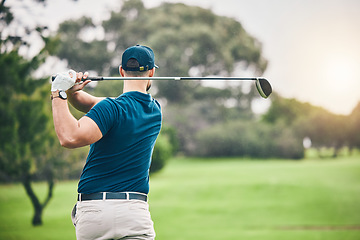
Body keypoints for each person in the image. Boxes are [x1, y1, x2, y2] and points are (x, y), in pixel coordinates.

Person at [51, 45, 162, 240]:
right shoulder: (155, 111)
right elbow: (98, 106)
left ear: (121, 71)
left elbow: (70, 137)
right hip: (134, 214)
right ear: (151, 72)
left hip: (95, 214)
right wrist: (72, 93)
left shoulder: (111, 108)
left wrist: (58, 92)